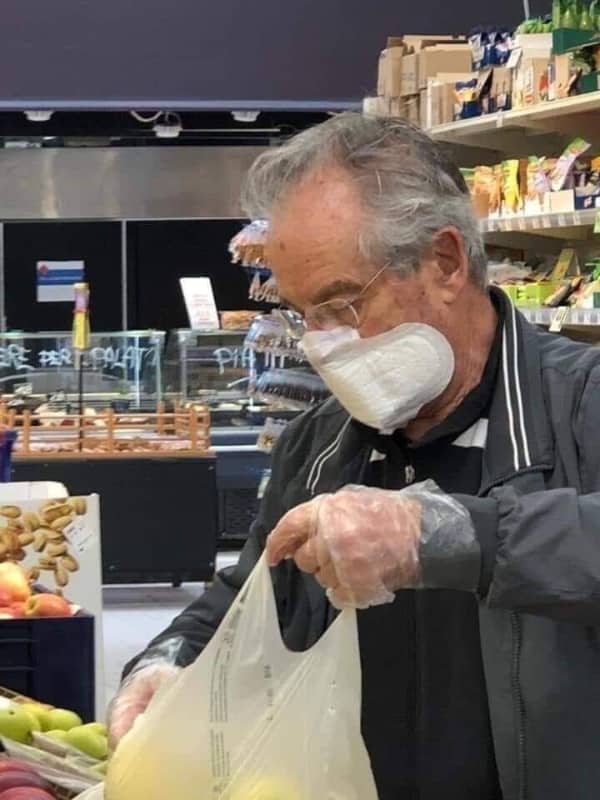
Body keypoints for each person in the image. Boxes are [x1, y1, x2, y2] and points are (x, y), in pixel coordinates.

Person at [108, 113, 600, 800]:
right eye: (304, 315)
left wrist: (453, 537)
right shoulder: (321, 445)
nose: (321, 345)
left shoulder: (581, 404)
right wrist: (169, 663)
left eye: (342, 306)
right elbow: (256, 590)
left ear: (446, 262)